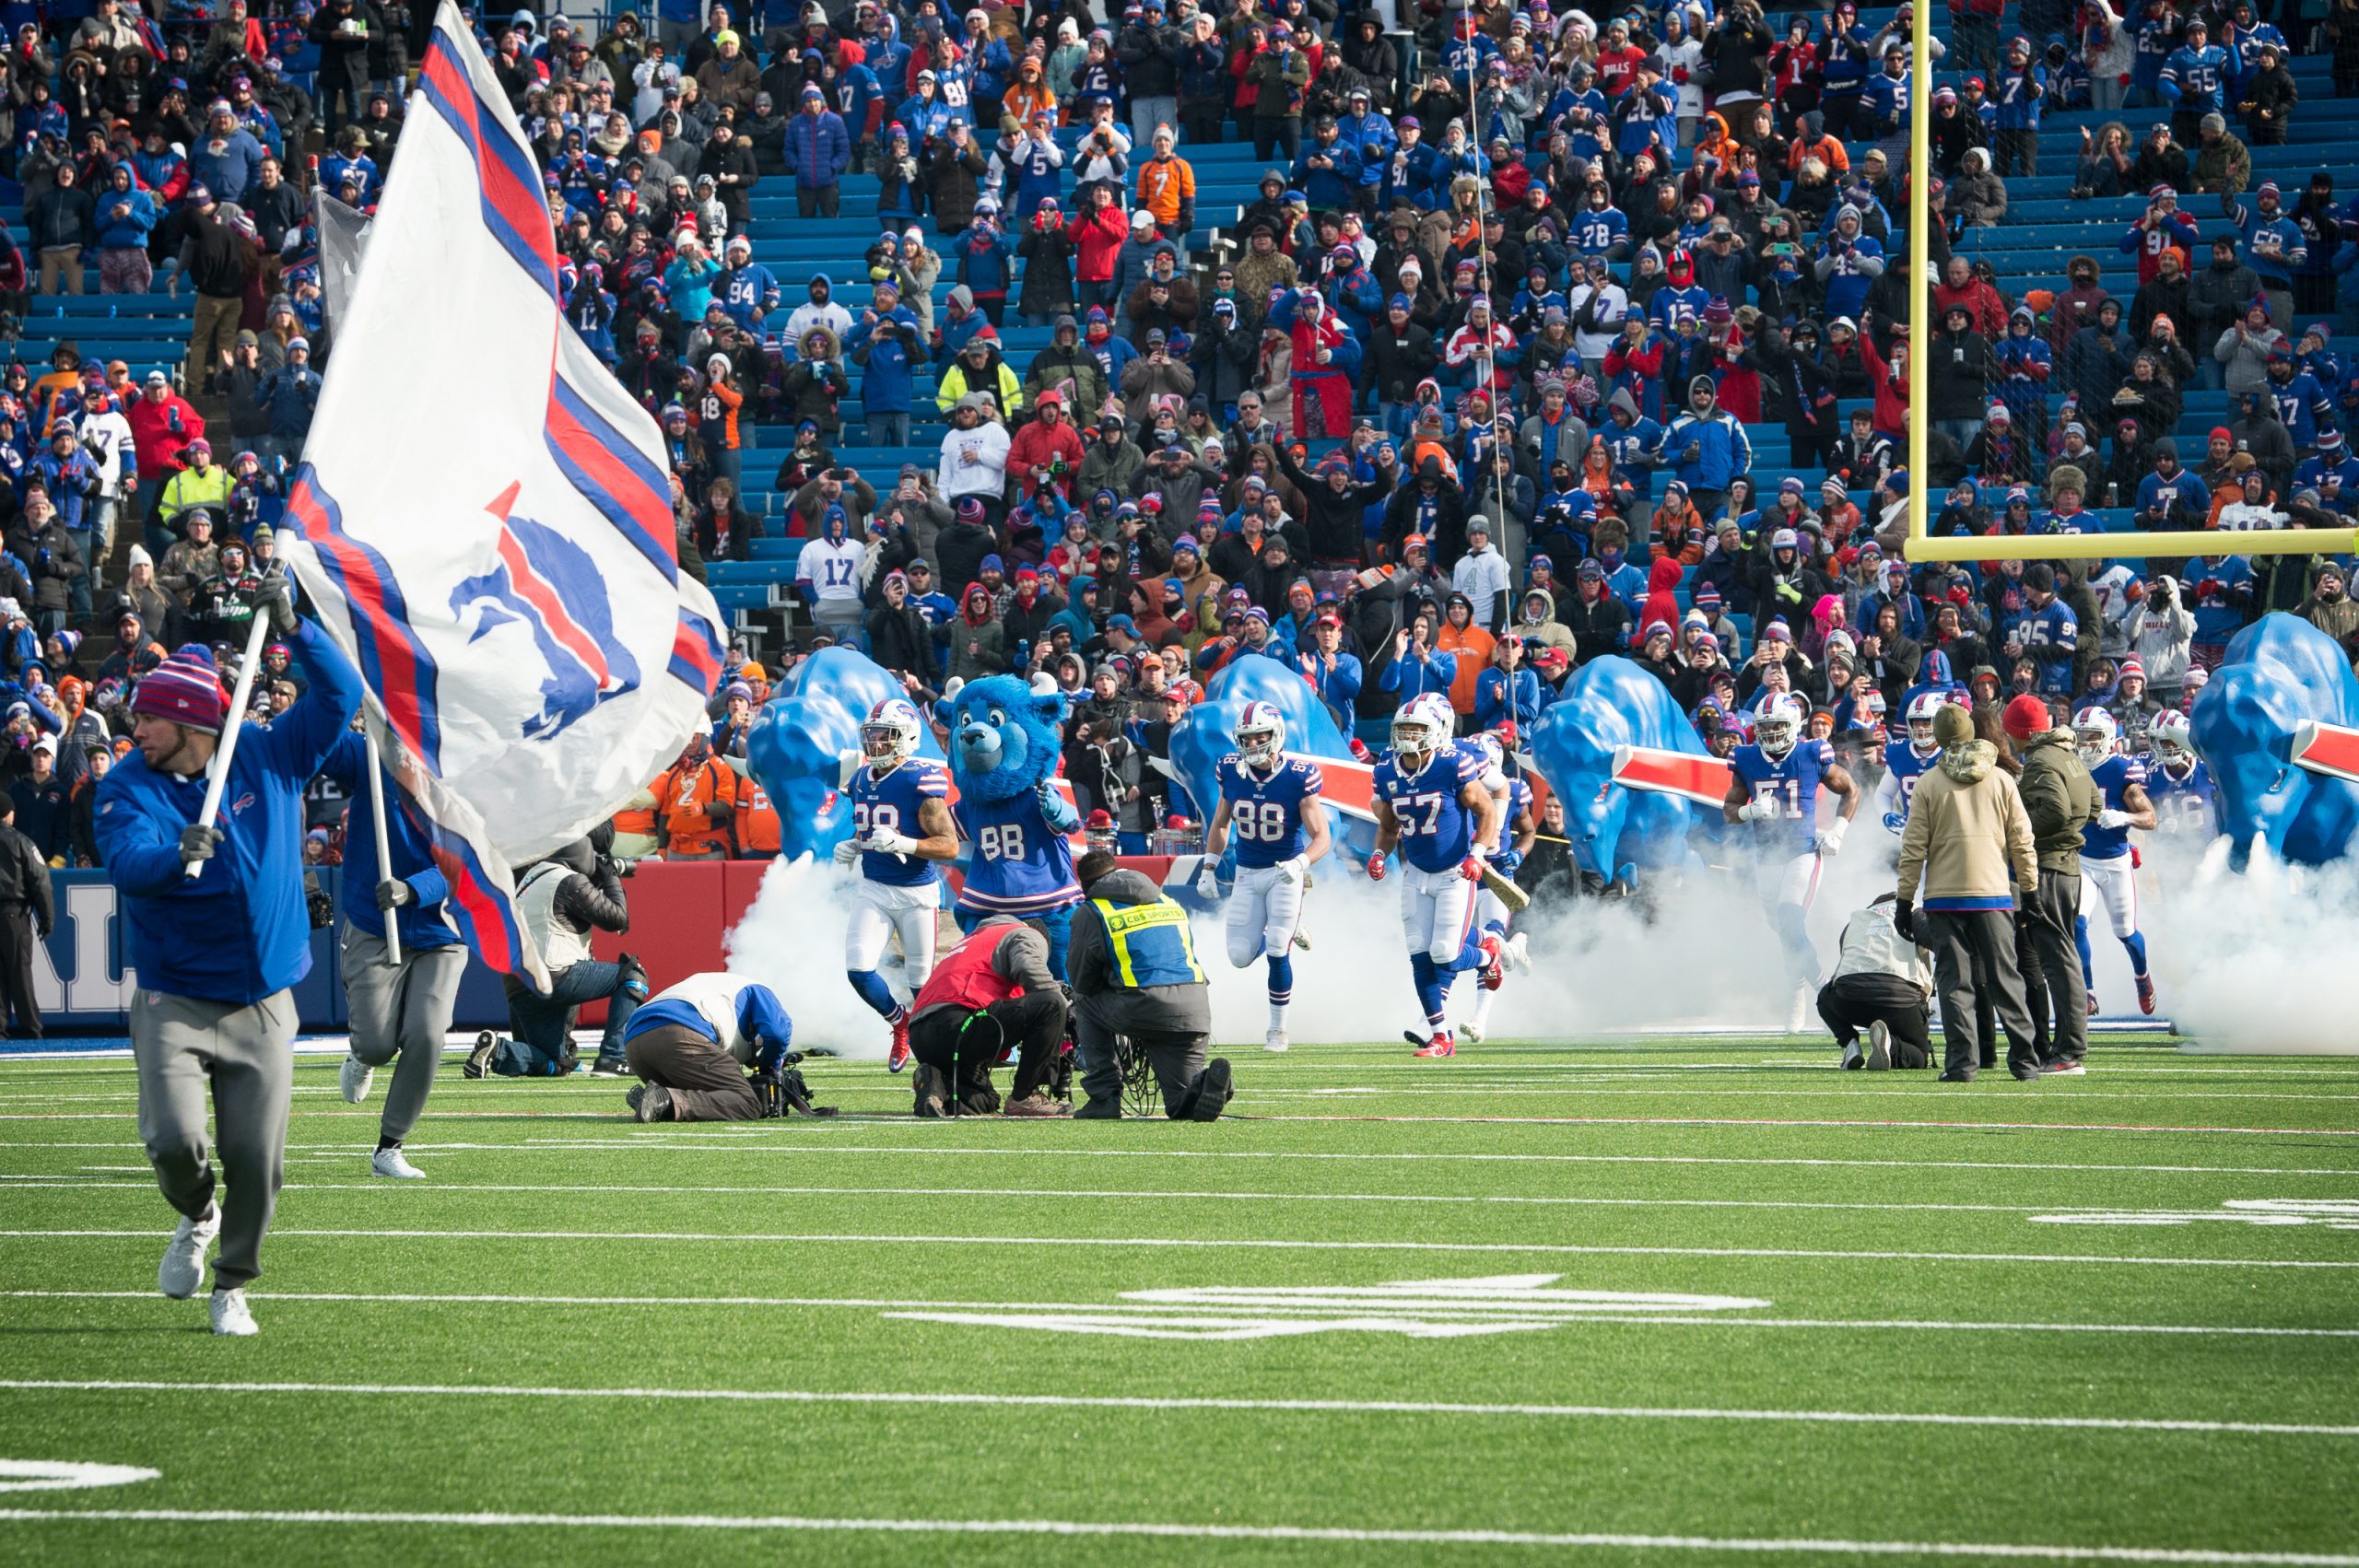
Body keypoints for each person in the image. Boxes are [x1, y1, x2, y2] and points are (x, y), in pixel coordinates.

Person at [97, 576, 361, 1336]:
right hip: (174, 995)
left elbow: (338, 697)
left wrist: (298, 626)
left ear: (191, 723)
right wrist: (175, 853)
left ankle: (233, 1281)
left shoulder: (267, 754)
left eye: (150, 716)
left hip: (261, 998)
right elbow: (126, 865)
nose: (135, 727)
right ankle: (196, 1212)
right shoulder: (127, 786)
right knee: (172, 1140)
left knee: (260, 1160)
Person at [322, 731, 469, 1180]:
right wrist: (352, 697)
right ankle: (361, 1056)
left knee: (428, 1033)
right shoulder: (370, 754)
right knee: (377, 1044)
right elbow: (320, 743)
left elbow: (472, 862)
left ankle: (390, 1146)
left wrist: (413, 889)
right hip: (373, 924)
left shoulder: (471, 775)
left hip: (441, 927)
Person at [1894, 701, 2045, 1083]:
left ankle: (1962, 1064)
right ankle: (2025, 1061)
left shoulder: (1928, 783)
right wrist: (2030, 891)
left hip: (1944, 898)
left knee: (1954, 982)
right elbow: (2022, 841)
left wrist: (1903, 900)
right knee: (2006, 978)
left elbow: (1913, 849)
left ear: (1941, 739)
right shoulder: (2000, 779)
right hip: (1994, 894)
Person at [1368, 693, 1503, 1059]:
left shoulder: (1452, 764)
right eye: (1404, 728)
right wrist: (1379, 853)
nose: (1409, 735)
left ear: (1439, 731)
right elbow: (1388, 823)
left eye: (1418, 728)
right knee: (1419, 954)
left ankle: (1488, 956)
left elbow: (1488, 810)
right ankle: (1441, 1037)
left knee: (1445, 954)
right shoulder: (1387, 771)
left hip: (1455, 871)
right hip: (1416, 871)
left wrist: (1477, 853)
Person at [1723, 693, 1860, 1034]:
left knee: (1789, 917)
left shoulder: (1812, 752)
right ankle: (1797, 988)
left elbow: (1851, 790)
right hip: (1767, 858)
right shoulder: (1745, 758)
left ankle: (1827, 994)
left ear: (1794, 726)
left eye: (1778, 728)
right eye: (1765, 729)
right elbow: (1728, 812)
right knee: (1786, 932)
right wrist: (1748, 811)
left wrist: (1838, 831)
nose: (1771, 736)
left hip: (1802, 852)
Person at [1196, 700, 1329, 1053]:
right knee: (1239, 956)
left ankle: (1277, 1031)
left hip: (1285, 874)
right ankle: (1282, 927)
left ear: (1276, 734)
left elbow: (1322, 838)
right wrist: (1209, 865)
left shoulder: (1298, 775)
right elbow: (1221, 822)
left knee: (1276, 949)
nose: (1253, 745)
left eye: (1260, 737)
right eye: (1247, 738)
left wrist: (1300, 864)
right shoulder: (1230, 770)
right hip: (1247, 872)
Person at [833, 698, 956, 1071]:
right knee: (858, 969)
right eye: (872, 735)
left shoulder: (920, 779)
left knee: (921, 983)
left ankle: (940, 1046)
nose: (877, 743)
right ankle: (899, 1023)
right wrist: (857, 843)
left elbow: (949, 846)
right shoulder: (858, 779)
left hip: (916, 893)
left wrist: (906, 843)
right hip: (874, 887)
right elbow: (869, 827)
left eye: (886, 735)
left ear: (908, 737)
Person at [1070, 849, 1232, 1120]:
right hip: (1194, 1008)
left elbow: (1081, 980)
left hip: (1142, 1006)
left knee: (1083, 1002)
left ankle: (1104, 1099)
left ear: (1085, 886)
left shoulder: (1093, 910)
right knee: (1181, 1104)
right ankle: (1207, 1084)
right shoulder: (1168, 900)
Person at [469, 833, 647, 1078]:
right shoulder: (568, 881)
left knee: (555, 1063)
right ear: (581, 854)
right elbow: (617, 918)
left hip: (519, 986)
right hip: (554, 975)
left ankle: (498, 1050)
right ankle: (614, 1057)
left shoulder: (527, 880)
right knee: (633, 975)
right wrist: (611, 876)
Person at [2009, 693, 2100, 1074]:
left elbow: (2056, 810)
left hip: (2048, 868)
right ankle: (2068, 1047)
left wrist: (2020, 829)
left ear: (2018, 734)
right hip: (2070, 867)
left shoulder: (2041, 761)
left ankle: (2068, 1051)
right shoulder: (2067, 754)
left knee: (2058, 961)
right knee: (2064, 958)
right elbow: (2093, 805)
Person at [905, 914, 1072, 1117]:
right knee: (1051, 1004)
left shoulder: (974, 939)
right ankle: (1025, 1097)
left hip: (921, 1035)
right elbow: (1029, 968)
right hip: (958, 1021)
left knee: (984, 1104)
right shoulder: (1026, 934)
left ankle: (936, 1082)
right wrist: (1066, 1009)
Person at [2071, 707, 2160, 1023]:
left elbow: (2151, 818)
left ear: (2107, 737)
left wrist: (2125, 816)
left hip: (2115, 861)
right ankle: (2087, 992)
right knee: (2077, 922)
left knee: (2126, 932)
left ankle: (2142, 975)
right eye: (2080, 735)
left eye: (2091, 735)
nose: (2084, 742)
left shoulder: (2123, 770)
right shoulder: (2070, 767)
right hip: (2082, 858)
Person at [620, 973, 796, 1123]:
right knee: (747, 1103)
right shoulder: (759, 990)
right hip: (680, 1036)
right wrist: (770, 1066)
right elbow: (778, 1032)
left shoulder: (718, 986)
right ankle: (665, 1099)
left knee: (711, 1096)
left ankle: (652, 1100)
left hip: (634, 1044)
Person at [1457, 731, 1535, 1045]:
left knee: (1490, 939)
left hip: (1495, 876)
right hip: (1463, 873)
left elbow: (1528, 831)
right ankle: (1514, 947)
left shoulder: (1514, 791)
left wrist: (1520, 851)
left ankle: (1480, 1019)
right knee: (1459, 941)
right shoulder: (1456, 784)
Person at [1818, 893, 1934, 1071]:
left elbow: (1844, 962)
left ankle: (1850, 1044)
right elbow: (1932, 939)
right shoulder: (1913, 911)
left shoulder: (1857, 919)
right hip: (1898, 1000)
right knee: (1919, 1056)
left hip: (1850, 998)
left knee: (1824, 997)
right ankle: (1891, 1045)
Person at [0, 793, 53, 1038]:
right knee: (20, 973)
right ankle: (31, 1029)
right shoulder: (21, 842)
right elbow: (40, 882)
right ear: (9, 813)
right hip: (13, 915)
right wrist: (47, 918)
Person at [1875, 692, 1952, 832]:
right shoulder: (1899, 752)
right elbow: (1884, 793)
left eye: (1926, 722)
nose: (1920, 728)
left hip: (1946, 833)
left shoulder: (1952, 753)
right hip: (1912, 833)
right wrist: (1886, 815)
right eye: (1916, 722)